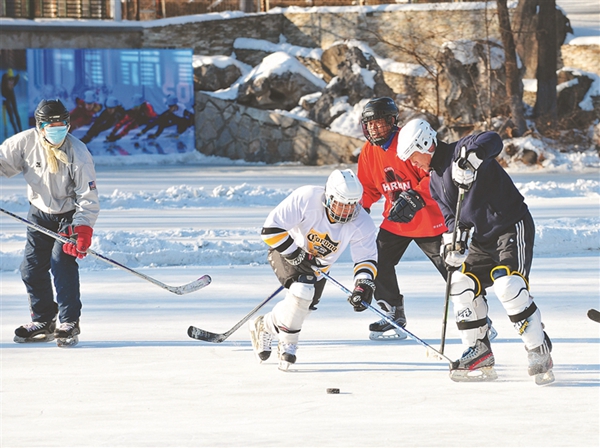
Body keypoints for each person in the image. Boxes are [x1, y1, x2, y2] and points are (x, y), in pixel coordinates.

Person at [396, 118, 554, 385]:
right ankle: (479, 351)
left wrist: (471, 160)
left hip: (510, 226)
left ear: (425, 144)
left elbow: (493, 140)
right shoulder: (434, 181)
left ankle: (539, 350)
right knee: (460, 283)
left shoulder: (462, 149)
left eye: (413, 156)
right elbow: (451, 218)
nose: (413, 163)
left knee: (508, 286)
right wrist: (453, 243)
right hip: (480, 240)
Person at [251, 169, 378, 371]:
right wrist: (295, 254)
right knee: (302, 291)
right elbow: (270, 230)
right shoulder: (307, 197)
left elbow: (365, 259)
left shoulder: (363, 223)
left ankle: (265, 325)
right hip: (285, 250)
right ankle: (288, 344)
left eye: (352, 205)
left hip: (318, 269)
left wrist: (363, 285)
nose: (346, 211)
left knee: (302, 308)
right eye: (341, 204)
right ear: (329, 197)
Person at [0, 99, 100, 347]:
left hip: (69, 215)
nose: (57, 130)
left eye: (61, 125)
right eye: (50, 125)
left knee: (61, 262)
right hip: (39, 213)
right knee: (31, 268)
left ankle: (69, 322)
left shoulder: (78, 152)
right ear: (39, 126)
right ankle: (43, 319)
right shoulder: (24, 143)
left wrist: (82, 229)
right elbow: (2, 162)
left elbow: (87, 196)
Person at [357, 97, 448, 340]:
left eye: (379, 123)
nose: (375, 129)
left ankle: (475, 313)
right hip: (396, 219)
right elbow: (368, 188)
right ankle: (392, 313)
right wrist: (357, 209)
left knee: (451, 268)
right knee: (377, 258)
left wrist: (416, 196)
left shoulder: (407, 141)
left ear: (392, 121)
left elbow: (435, 174)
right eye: (370, 124)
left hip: (430, 220)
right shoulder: (368, 152)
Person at [2, 68, 23, 137]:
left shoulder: (13, 82)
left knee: (15, 113)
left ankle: (20, 130)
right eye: (9, 80)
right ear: (6, 81)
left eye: (12, 81)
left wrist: (18, 74)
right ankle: (16, 130)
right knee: (11, 116)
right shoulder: (3, 86)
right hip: (6, 99)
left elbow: (17, 77)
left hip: (10, 97)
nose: (11, 83)